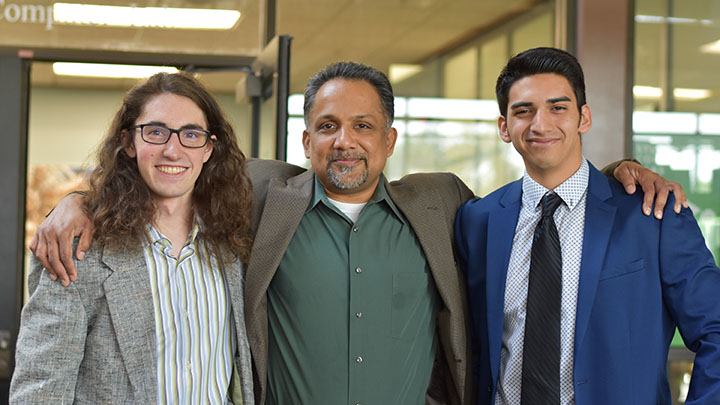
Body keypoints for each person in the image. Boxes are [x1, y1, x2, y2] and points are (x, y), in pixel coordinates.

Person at [30, 62, 685, 404]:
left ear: (390, 138)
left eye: (364, 125)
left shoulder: (443, 205)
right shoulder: (258, 195)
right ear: (305, 137)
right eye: (327, 125)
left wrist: (615, 171)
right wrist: (79, 201)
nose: (345, 141)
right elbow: (167, 165)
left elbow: (541, 204)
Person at [455, 47, 720, 404]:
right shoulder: (477, 221)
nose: (540, 124)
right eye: (523, 111)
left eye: (558, 107)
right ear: (505, 127)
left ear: (584, 118)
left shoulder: (652, 214)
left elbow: (715, 331)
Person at [11, 72, 255, 404]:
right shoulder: (78, 250)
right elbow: (42, 388)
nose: (173, 150)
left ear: (209, 149)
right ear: (128, 143)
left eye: (191, 134)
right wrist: (75, 201)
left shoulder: (233, 244)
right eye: (156, 132)